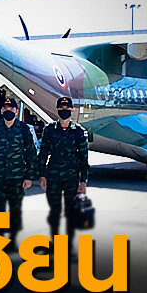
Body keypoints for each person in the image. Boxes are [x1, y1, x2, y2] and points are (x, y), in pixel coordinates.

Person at [0, 97, 38, 242]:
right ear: (1, 110)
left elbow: (31, 153)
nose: (8, 111)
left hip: (17, 176)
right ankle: (1, 238)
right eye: (5, 108)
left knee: (15, 207)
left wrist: (29, 176)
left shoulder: (23, 129)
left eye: (11, 108)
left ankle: (13, 237)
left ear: (16, 111)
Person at [37, 96, 89, 252]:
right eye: (61, 108)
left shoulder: (79, 131)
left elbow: (83, 157)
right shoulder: (50, 129)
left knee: (70, 210)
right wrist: (42, 175)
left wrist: (83, 180)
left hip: (71, 176)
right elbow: (43, 153)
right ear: (57, 110)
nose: (64, 111)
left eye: (67, 109)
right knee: (54, 210)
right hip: (53, 174)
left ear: (72, 110)